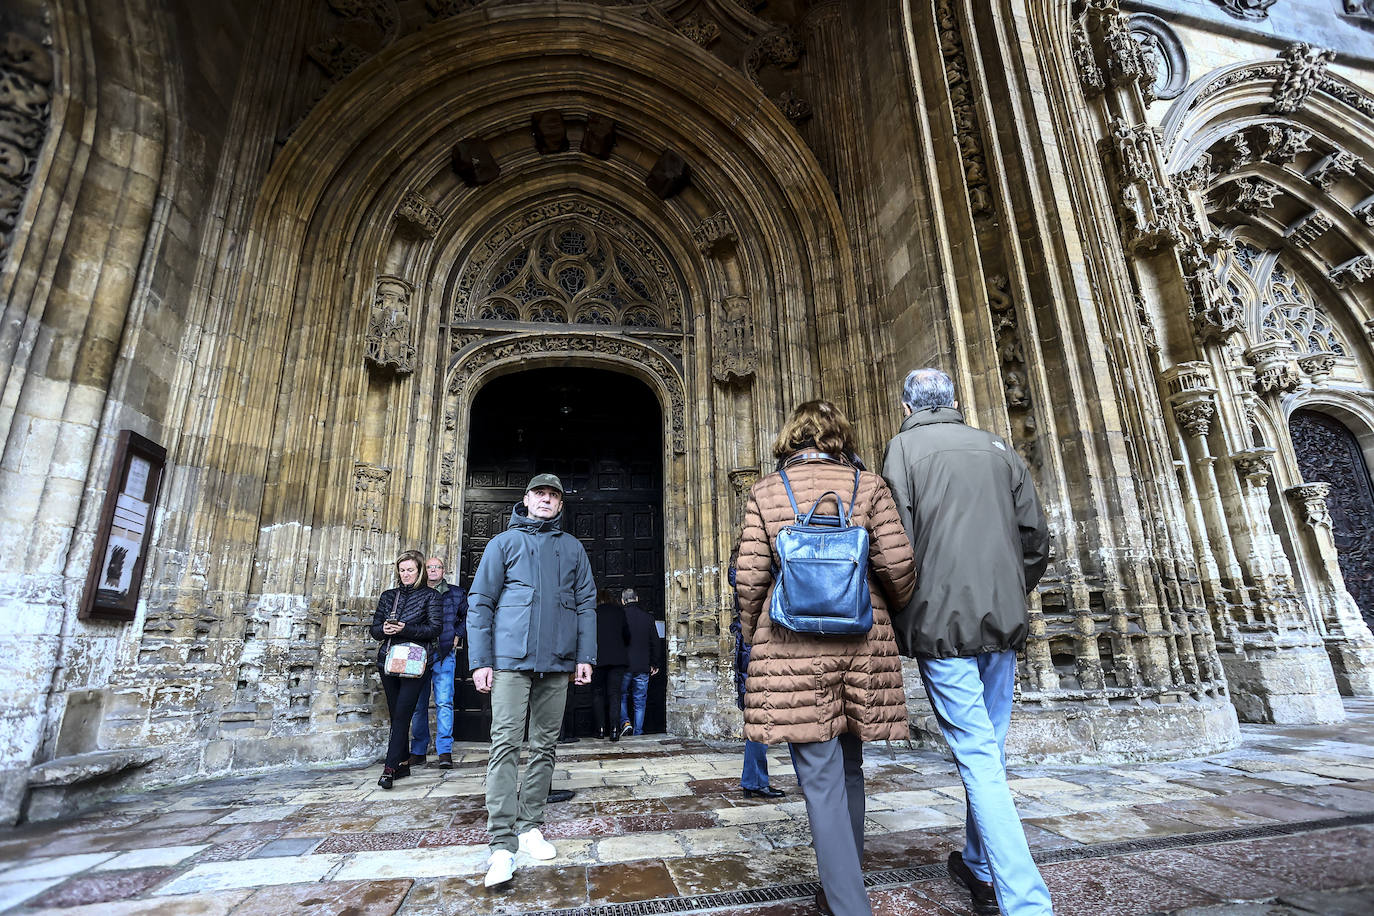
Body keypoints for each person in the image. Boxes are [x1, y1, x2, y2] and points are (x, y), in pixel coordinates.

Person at [882, 368, 1054, 916]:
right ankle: (979, 864)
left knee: (980, 757)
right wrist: (1009, 589)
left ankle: (1026, 902)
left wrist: (910, 605)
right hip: (1000, 623)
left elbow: (896, 547)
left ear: (907, 408)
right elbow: (1035, 537)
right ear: (954, 401)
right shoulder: (997, 448)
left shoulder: (904, 451)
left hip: (941, 628)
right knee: (990, 752)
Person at [735, 400, 916, 916]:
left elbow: (749, 577)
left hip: (791, 644)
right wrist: (886, 609)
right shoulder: (870, 485)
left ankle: (847, 902)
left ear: (791, 439)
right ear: (839, 436)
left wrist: (756, 634)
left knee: (819, 777)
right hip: (862, 642)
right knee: (851, 767)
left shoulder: (768, 491)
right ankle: (843, 880)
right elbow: (899, 566)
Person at [467, 473, 597, 888]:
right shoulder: (502, 543)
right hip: (509, 660)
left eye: (553, 495)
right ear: (526, 499)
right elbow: (481, 601)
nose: (546, 500)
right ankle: (501, 844)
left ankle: (530, 826)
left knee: (545, 745)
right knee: (505, 743)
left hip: (557, 661)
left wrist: (585, 656)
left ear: (560, 504)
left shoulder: (572, 548)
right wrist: (480, 660)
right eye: (540, 493)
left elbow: (586, 604)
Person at [369, 550, 443, 790]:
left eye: (410, 570)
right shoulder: (389, 596)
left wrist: (405, 628)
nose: (406, 574)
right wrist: (385, 630)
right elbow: (375, 629)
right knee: (395, 713)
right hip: (388, 660)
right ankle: (402, 763)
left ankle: (389, 770)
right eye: (402, 570)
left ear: (420, 571)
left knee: (403, 714)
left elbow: (434, 629)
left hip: (414, 661)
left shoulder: (431, 596)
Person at [728, 546, 783, 799]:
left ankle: (755, 779)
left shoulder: (741, 571)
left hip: (754, 647)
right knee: (768, 715)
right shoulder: (757, 571)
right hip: (764, 646)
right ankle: (755, 779)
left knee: (779, 712)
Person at [407, 557, 467, 769]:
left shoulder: (457, 593)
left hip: (444, 653)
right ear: (425, 570)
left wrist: (458, 633)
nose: (433, 570)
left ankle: (444, 752)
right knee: (417, 704)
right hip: (418, 653)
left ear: (444, 570)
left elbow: (467, 616)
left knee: (444, 702)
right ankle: (419, 750)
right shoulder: (416, 592)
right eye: (430, 567)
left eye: (437, 567)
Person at [618, 588, 663, 737]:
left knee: (621, 695)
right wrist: (655, 663)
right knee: (640, 701)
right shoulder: (647, 618)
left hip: (624, 665)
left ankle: (625, 722)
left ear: (623, 601)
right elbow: (655, 642)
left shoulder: (619, 617)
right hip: (643, 665)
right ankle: (638, 731)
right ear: (636, 599)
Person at [591, 588, 629, 741]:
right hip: (618, 659)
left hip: (597, 658)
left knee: (597, 693)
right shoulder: (619, 612)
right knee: (615, 694)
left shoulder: (593, 613)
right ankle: (614, 730)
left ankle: (600, 730)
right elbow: (627, 635)